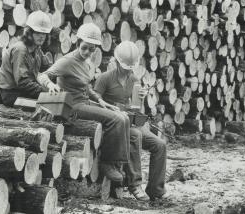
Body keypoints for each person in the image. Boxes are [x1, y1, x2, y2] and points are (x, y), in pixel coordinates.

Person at [37, 23, 130, 182]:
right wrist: (50, 84)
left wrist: (100, 101)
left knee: (124, 117)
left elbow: (86, 86)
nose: (87, 52)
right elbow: (43, 75)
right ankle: (107, 164)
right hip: (72, 107)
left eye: (92, 49)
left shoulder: (86, 62)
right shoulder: (67, 61)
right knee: (116, 119)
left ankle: (119, 164)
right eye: (84, 47)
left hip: (84, 102)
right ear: (78, 42)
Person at [94, 41, 167, 201]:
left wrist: (140, 100)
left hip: (130, 121)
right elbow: (95, 102)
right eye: (125, 67)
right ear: (116, 61)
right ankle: (134, 184)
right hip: (114, 125)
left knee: (160, 145)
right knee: (135, 135)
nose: (127, 70)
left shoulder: (134, 79)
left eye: (130, 67)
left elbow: (135, 109)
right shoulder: (104, 78)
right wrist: (115, 108)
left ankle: (156, 191)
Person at [0, 10, 53, 106]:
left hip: (24, 90)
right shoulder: (20, 49)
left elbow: (47, 68)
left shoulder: (37, 49)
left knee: (53, 101)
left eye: (44, 33)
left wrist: (53, 83)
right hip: (11, 94)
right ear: (29, 32)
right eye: (37, 32)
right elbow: (22, 82)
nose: (41, 36)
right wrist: (45, 90)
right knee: (44, 106)